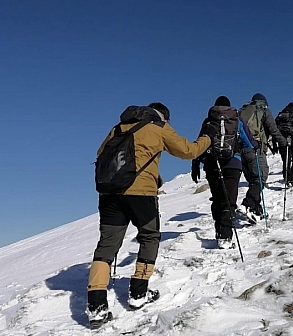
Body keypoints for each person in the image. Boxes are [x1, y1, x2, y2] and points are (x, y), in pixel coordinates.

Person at [87, 103, 211, 328]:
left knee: (106, 246)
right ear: (163, 115)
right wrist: (208, 139)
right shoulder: (158, 126)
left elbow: (100, 154)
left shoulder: (118, 128)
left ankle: (96, 305)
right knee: (149, 236)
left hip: (109, 194)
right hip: (141, 195)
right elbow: (188, 151)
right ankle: (138, 293)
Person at [191, 96, 256, 249]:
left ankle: (219, 231)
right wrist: (256, 143)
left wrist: (195, 163)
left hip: (212, 163)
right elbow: (249, 143)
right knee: (229, 200)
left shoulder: (208, 121)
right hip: (233, 163)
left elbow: (201, 143)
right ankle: (225, 237)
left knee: (218, 198)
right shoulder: (237, 120)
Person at [238, 93, 287, 222]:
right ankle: (247, 204)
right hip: (255, 148)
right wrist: (282, 142)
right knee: (260, 177)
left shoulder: (241, 111)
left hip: (240, 151)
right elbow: (273, 129)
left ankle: (256, 211)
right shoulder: (264, 111)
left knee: (254, 180)